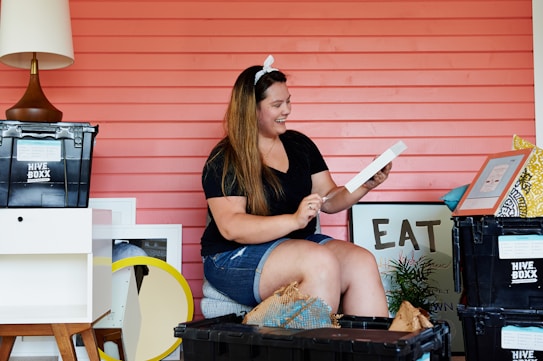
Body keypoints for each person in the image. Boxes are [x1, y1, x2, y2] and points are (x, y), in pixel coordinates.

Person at [201, 55, 391, 317]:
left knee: (361, 261)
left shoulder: (300, 144)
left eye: (288, 101)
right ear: (251, 110)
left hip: (296, 244)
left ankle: (374, 352)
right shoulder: (224, 158)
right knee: (319, 262)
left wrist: (364, 185)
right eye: (277, 104)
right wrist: (294, 220)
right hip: (232, 256)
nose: (287, 110)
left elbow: (330, 199)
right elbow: (232, 226)